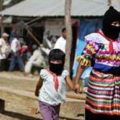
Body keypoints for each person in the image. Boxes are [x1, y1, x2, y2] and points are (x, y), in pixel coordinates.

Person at [74, 6, 120, 120]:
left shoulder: (119, 41)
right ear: (107, 23)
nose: (117, 26)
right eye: (114, 23)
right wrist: (76, 81)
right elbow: (84, 62)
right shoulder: (95, 40)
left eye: (119, 23)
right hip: (99, 85)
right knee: (96, 114)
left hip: (117, 85)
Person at [35, 49, 74, 120]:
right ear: (49, 60)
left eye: (58, 61)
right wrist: (36, 91)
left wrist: (78, 88)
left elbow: (72, 86)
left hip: (56, 103)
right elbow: (39, 84)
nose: (55, 63)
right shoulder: (44, 73)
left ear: (62, 61)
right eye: (53, 60)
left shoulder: (64, 73)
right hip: (44, 102)